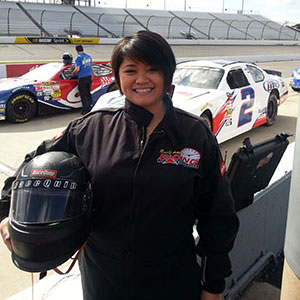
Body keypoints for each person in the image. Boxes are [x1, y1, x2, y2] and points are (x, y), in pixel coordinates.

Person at [0, 30, 239, 300]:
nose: (141, 79)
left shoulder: (195, 135)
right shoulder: (90, 128)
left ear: (167, 74)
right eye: (130, 70)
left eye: (152, 69)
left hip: (172, 281)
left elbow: (218, 217)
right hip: (103, 281)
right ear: (118, 77)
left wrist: (213, 285)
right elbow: (33, 164)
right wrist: (6, 212)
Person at [72, 44, 93, 115]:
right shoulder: (89, 56)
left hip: (82, 78)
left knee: (83, 94)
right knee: (88, 93)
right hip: (89, 77)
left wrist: (73, 73)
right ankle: (91, 107)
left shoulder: (78, 58)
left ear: (77, 51)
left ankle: (85, 110)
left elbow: (77, 69)